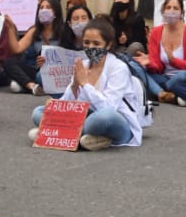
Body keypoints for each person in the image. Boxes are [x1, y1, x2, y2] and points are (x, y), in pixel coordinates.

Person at [28, 18, 146, 150]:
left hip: (115, 121)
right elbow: (66, 105)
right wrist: (75, 85)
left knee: (104, 117)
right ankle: (87, 138)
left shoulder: (118, 68)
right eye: (86, 43)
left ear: (107, 45)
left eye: (96, 44)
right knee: (38, 112)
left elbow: (109, 107)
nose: (90, 47)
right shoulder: (83, 65)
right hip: (83, 117)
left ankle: (58, 133)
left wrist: (85, 84)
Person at [10, 0, 66, 96]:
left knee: (20, 84)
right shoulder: (34, 30)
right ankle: (31, 86)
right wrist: (10, 28)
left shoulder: (65, 31)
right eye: (41, 7)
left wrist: (50, 60)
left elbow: (70, 56)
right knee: (8, 61)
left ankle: (27, 85)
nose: (44, 10)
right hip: (36, 69)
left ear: (56, 12)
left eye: (48, 7)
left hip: (57, 72)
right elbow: (17, 49)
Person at [148, 0, 186, 103]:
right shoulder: (156, 32)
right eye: (168, 7)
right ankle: (164, 93)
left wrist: (173, 60)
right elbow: (157, 67)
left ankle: (157, 91)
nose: (171, 11)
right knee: (136, 67)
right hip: (163, 77)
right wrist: (148, 63)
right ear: (163, 11)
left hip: (183, 77)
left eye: (175, 8)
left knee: (182, 75)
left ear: (182, 13)